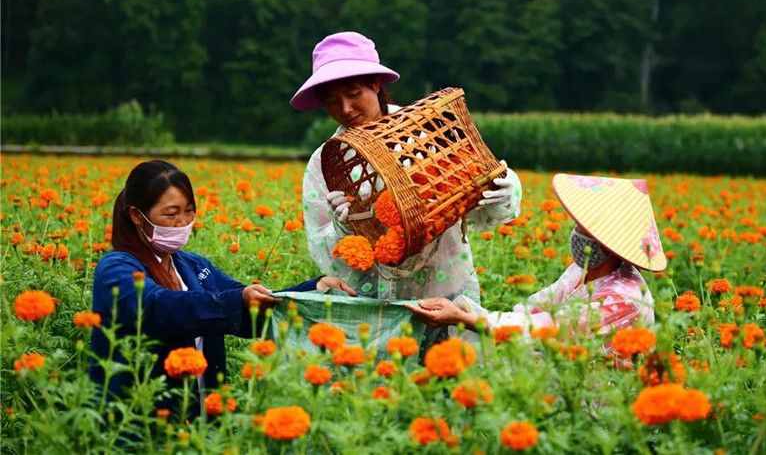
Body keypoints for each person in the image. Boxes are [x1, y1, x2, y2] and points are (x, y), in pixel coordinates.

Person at [89, 160, 355, 400]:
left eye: (189, 211)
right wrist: (237, 300)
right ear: (137, 216)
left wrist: (315, 288)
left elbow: (249, 307)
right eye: (171, 214)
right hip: (141, 415)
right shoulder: (116, 268)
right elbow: (159, 308)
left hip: (203, 416)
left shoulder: (192, 265)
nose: (182, 222)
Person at [291, 31, 522, 305]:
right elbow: (322, 251)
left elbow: (475, 210)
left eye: (354, 94)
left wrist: (505, 191)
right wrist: (342, 229)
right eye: (331, 101)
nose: (346, 108)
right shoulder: (323, 164)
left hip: (445, 287)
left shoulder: (427, 134)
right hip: (373, 301)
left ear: (375, 84)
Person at [408, 174, 666, 338]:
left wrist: (464, 318)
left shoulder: (625, 298)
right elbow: (533, 310)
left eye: (584, 228)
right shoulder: (581, 270)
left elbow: (548, 328)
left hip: (599, 407)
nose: (575, 232)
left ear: (610, 241)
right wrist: (465, 309)